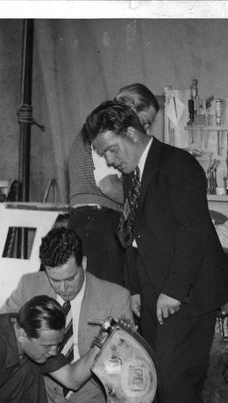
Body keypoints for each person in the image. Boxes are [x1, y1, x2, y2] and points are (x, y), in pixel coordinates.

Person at [83, 100, 228, 403]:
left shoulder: (178, 165)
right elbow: (133, 238)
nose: (110, 160)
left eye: (111, 149)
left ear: (132, 134)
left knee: (174, 374)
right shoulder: (136, 172)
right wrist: (134, 289)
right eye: (103, 154)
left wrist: (173, 292)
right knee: (151, 371)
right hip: (152, 290)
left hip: (186, 291)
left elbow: (193, 233)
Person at [0, 227, 133, 403]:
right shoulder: (29, 285)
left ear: (84, 264)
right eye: (54, 280)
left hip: (90, 393)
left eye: (70, 278)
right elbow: (3, 332)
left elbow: (122, 367)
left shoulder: (116, 298)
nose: (63, 288)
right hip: (38, 390)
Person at [68, 83, 159, 287]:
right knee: (106, 302)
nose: (145, 129)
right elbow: (109, 186)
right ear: (131, 110)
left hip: (89, 222)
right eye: (145, 122)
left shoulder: (99, 127)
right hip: (99, 225)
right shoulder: (103, 130)